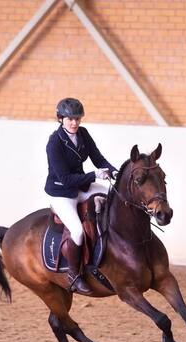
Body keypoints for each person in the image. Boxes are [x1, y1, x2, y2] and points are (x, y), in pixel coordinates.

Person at [45, 97, 118, 294]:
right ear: (61, 118)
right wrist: (94, 175)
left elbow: (98, 158)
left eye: (77, 118)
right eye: (70, 119)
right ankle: (74, 274)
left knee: (114, 197)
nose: (75, 123)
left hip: (82, 186)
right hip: (62, 192)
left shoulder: (83, 133)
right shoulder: (54, 143)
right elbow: (66, 179)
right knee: (77, 231)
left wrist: (113, 171)